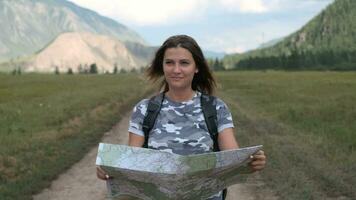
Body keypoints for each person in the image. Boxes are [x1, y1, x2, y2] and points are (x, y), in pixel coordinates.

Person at [97, 35, 266, 199]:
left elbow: (232, 156)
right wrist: (109, 169)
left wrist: (251, 161)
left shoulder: (216, 108)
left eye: (184, 63)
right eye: (169, 63)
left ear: (196, 67)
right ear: (162, 66)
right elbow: (132, 162)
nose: (176, 70)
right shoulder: (145, 109)